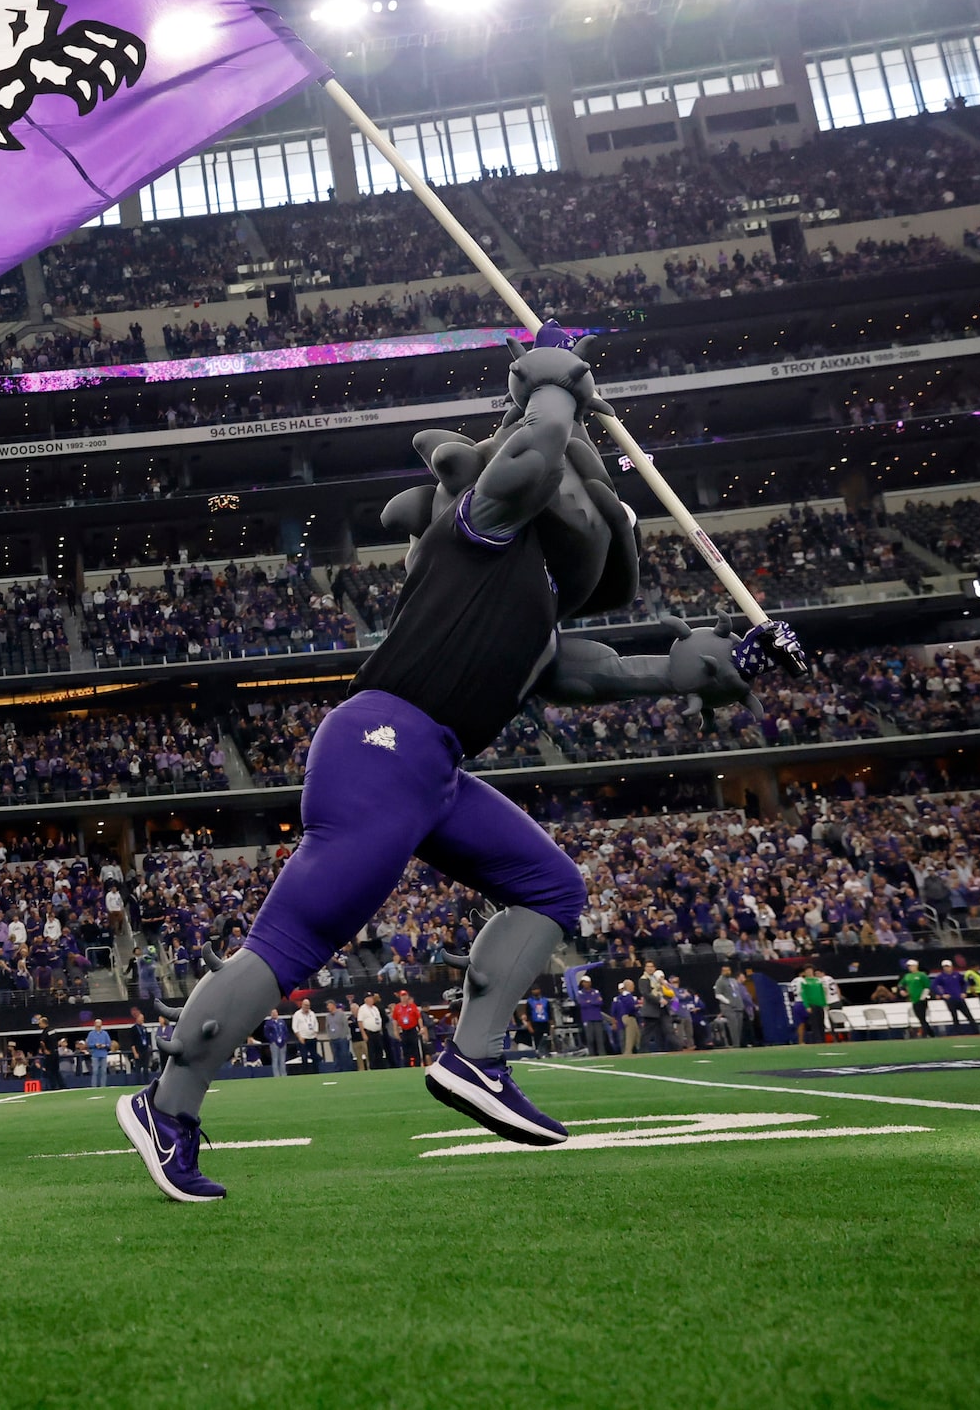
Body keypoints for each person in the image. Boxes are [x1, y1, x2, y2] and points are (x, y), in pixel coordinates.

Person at [116, 333, 791, 1203]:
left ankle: (473, 1058)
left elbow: (611, 674)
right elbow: (532, 462)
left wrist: (725, 662)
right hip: (383, 742)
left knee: (550, 887)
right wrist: (550, 387)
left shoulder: (539, 612)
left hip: (431, 768)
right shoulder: (483, 525)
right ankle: (166, 1104)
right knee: (290, 943)